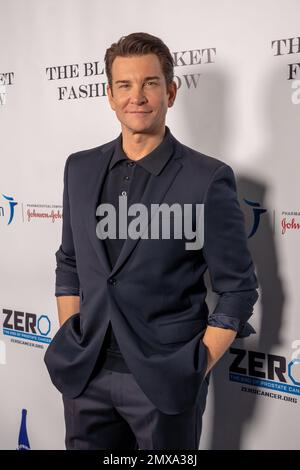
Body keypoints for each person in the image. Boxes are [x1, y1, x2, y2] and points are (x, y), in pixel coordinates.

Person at [44, 32, 259, 450]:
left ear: (171, 91)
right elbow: (69, 261)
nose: (137, 96)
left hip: (164, 383)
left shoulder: (206, 178)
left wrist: (195, 365)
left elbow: (238, 287)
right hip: (85, 374)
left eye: (150, 83)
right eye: (124, 85)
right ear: (109, 95)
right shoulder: (80, 168)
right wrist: (73, 332)